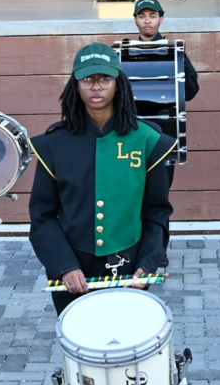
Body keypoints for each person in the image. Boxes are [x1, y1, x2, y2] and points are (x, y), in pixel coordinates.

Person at [28, 42, 175, 315]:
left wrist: (148, 262)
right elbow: (42, 216)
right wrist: (64, 266)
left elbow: (157, 211)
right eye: (88, 80)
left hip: (129, 266)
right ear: (76, 86)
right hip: (74, 269)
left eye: (105, 79)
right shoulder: (54, 144)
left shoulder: (147, 140)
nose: (96, 87)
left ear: (118, 84)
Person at [132, 0, 200, 187]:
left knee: (159, 195)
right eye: (142, 16)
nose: (147, 20)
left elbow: (191, 92)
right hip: (133, 133)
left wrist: (178, 61)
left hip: (165, 133)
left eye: (152, 16)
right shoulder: (126, 52)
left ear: (160, 19)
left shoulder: (175, 51)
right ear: (135, 19)